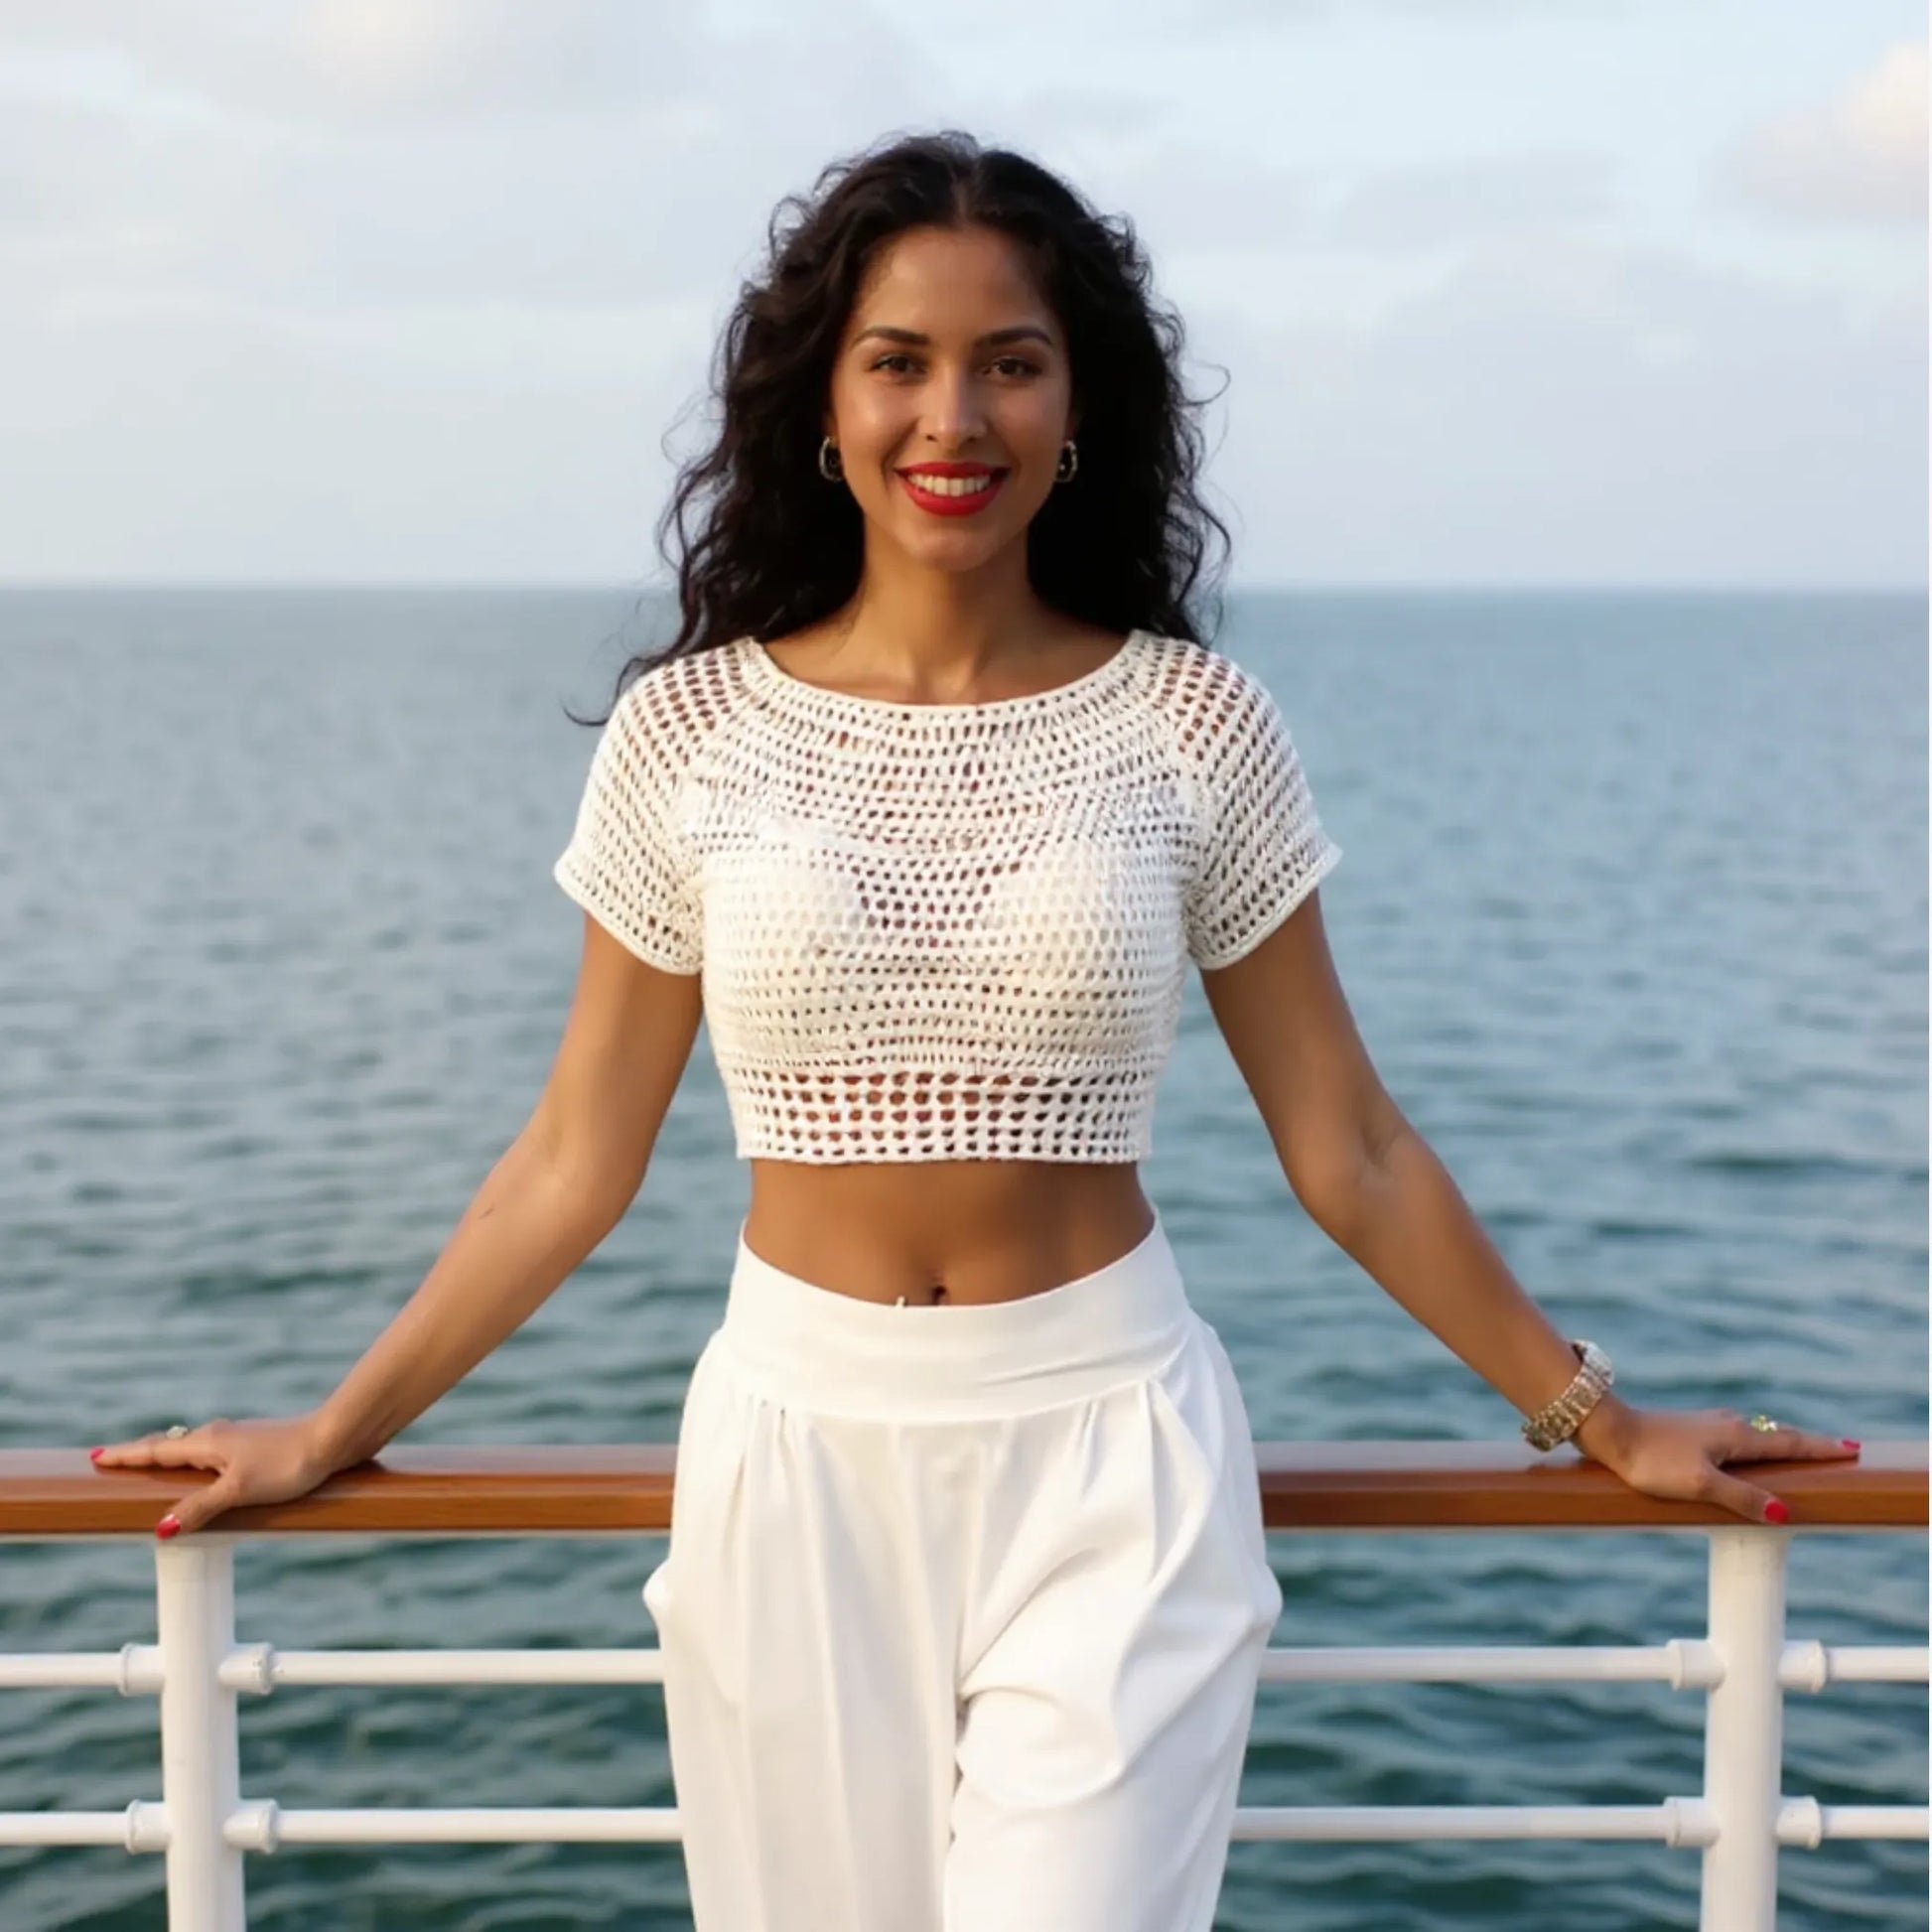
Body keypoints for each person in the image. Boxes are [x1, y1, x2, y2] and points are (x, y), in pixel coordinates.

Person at [91, 130, 1860, 1932]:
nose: (956, 416)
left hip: (1111, 1451)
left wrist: (1593, 1413)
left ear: (1075, 404)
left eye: (1009, 361)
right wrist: (331, 1428)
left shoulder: (1191, 725)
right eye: (900, 362)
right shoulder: (689, 735)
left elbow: (1352, 1145)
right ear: (822, 406)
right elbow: (571, 1160)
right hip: (792, 1456)